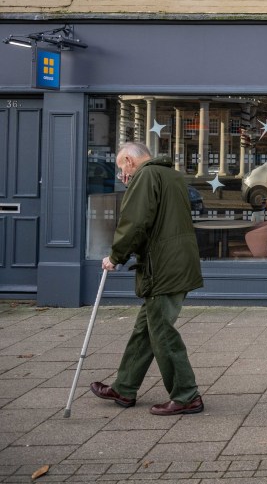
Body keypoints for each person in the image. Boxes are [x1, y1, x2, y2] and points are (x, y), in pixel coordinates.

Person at [91, 142, 205, 415]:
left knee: (162, 333)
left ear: (130, 160)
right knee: (146, 330)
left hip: (162, 269)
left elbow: (135, 221)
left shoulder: (145, 176)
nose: (123, 176)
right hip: (178, 263)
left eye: (122, 169)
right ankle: (124, 387)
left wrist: (116, 256)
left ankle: (187, 395)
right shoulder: (172, 175)